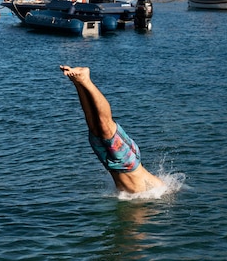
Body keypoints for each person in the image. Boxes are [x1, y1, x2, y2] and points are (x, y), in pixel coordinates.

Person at [60, 65, 165, 194]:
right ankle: (86, 80)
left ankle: (78, 82)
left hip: (110, 163)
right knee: (104, 125)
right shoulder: (157, 190)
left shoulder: (148, 192)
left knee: (93, 124)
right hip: (127, 162)